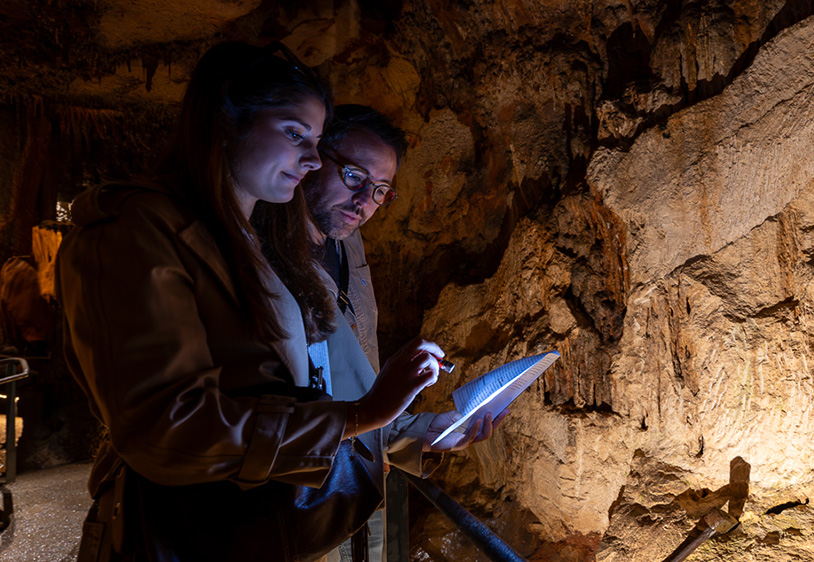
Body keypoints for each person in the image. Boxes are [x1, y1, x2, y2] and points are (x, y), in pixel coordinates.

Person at [58, 42, 441, 562]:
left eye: (316, 140)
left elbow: (291, 387)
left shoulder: (253, 243)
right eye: (293, 134)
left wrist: (400, 426)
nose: (308, 159)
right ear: (224, 121)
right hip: (181, 535)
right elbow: (167, 426)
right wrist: (359, 416)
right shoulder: (133, 231)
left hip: (254, 527)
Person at [304, 105, 505, 562]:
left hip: (351, 499)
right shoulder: (260, 257)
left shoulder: (348, 245)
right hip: (290, 502)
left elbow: (355, 389)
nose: (364, 203)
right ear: (311, 155)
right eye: (354, 177)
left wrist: (424, 433)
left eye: (379, 192)